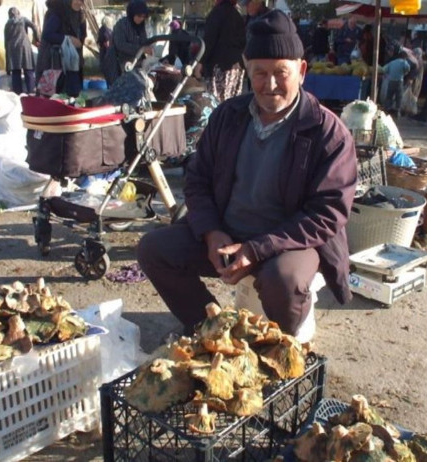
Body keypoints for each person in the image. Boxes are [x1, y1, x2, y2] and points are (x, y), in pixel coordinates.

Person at [137, 9, 357, 340]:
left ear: (301, 70)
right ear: (246, 71)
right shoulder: (229, 116)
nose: (270, 85)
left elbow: (327, 214)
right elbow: (197, 181)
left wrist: (257, 249)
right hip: (228, 233)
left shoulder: (328, 132)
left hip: (288, 243)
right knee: (154, 249)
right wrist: (212, 233)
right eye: (259, 73)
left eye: (281, 73)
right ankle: (210, 330)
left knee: (284, 281)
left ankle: (279, 346)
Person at [194, 0, 246, 102]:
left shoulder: (216, 13)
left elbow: (209, 40)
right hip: (235, 67)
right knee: (233, 103)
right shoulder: (237, 14)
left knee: (216, 103)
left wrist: (200, 61)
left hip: (219, 67)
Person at [37, 0, 86, 97]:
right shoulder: (58, 13)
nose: (79, 3)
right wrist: (67, 39)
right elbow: (47, 34)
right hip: (56, 64)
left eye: (81, 0)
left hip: (73, 63)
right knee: (58, 98)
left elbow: (81, 36)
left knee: (73, 96)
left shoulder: (80, 15)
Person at [100, 0, 148, 86]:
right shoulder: (121, 25)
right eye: (139, 16)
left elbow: (143, 42)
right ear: (132, 13)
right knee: (117, 91)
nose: (141, 18)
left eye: (143, 16)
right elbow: (121, 45)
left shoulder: (141, 27)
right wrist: (141, 49)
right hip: (116, 64)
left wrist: (147, 49)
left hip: (133, 64)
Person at [4, 7, 39, 95]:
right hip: (24, 47)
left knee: (16, 72)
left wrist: (7, 65)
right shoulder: (23, 20)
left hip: (13, 49)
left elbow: (6, 42)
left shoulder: (7, 24)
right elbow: (34, 26)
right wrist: (37, 38)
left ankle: (18, 94)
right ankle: (31, 92)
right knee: (28, 70)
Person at [379, 51, 410, 117]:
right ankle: (397, 111)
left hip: (391, 81)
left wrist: (389, 73)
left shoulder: (392, 62)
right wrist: (404, 73)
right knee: (399, 96)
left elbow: (384, 69)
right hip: (399, 81)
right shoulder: (404, 62)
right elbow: (407, 68)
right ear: (404, 57)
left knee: (389, 95)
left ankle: (387, 110)